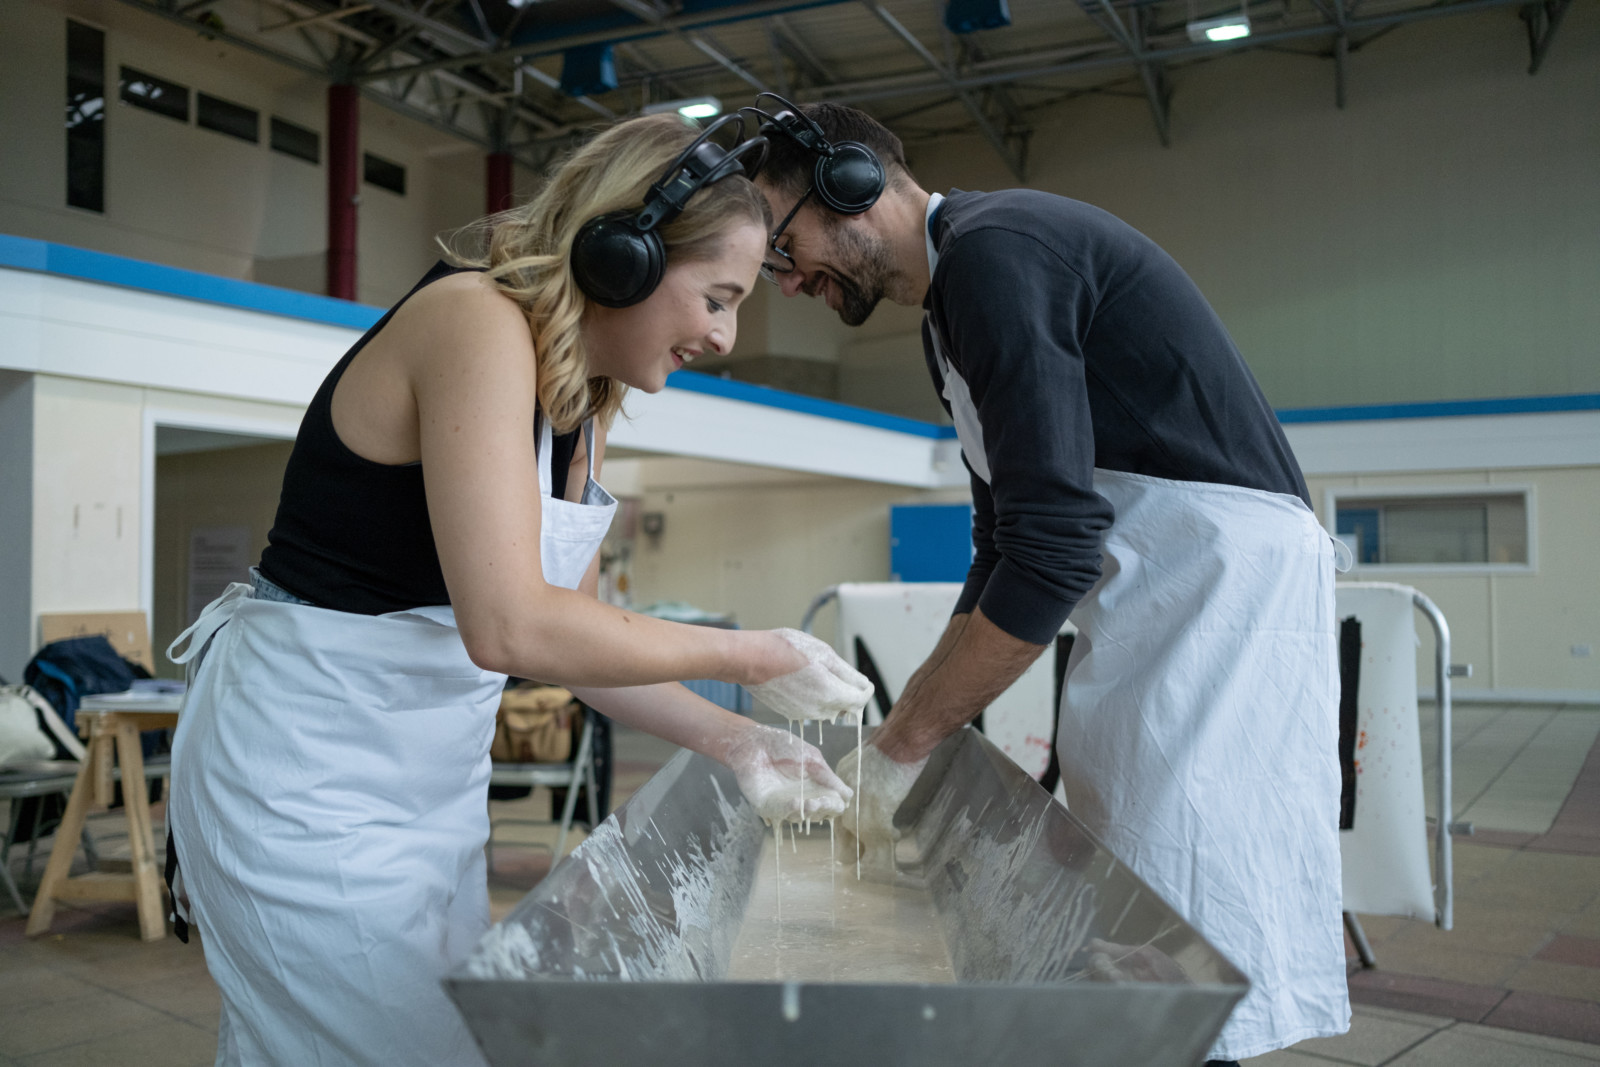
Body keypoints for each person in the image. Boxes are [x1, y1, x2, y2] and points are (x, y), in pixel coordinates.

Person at [164, 113, 870, 1067]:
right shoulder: (474, 320)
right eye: (717, 295)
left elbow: (573, 642)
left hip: (428, 786)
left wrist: (740, 736)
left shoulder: (586, 399)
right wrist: (752, 654)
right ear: (624, 252)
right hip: (305, 772)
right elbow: (509, 626)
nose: (722, 334)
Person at [743, 94, 1350, 1064]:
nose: (784, 281)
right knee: (1136, 892)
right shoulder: (950, 309)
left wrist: (903, 742)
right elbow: (1002, 541)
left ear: (849, 183)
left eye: (783, 245)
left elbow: (1053, 548)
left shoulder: (998, 250)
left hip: (1216, 584)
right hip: (1157, 587)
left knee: (1180, 905)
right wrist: (916, 728)